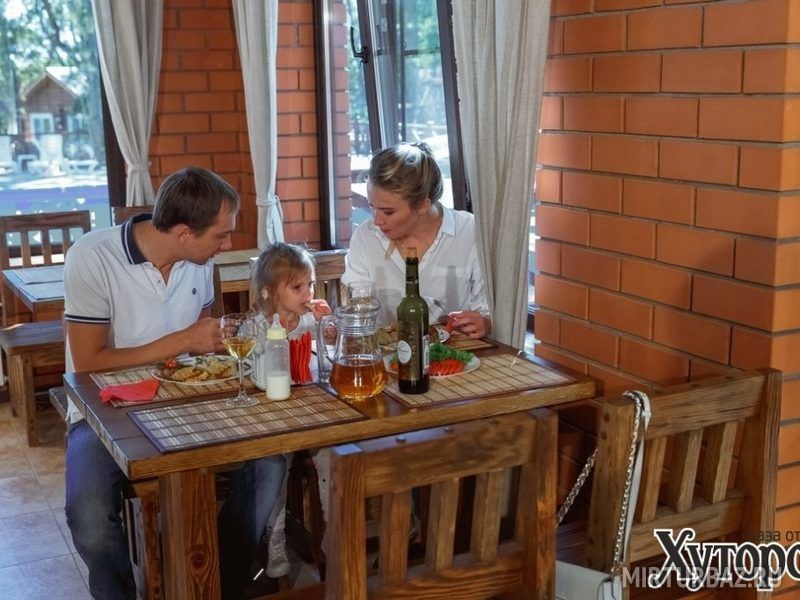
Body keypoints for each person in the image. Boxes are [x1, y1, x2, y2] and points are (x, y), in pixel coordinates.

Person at [63, 167, 286, 600]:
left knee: (269, 464)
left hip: (189, 398)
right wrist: (183, 340)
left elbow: (204, 344)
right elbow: (88, 363)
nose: (227, 245)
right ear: (184, 232)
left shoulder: (198, 260)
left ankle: (220, 585)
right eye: (221, 236)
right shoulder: (92, 257)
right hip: (106, 407)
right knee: (87, 514)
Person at [342, 142, 492, 338]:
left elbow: (487, 312)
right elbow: (356, 313)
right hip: (386, 355)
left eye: (388, 211)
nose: (377, 220)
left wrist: (484, 324)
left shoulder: (470, 232)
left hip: (455, 353)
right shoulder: (365, 236)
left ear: (422, 205)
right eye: (372, 206)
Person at [249, 242, 331, 578]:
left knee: (333, 456)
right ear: (270, 292)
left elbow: (328, 362)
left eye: (310, 285)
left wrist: (327, 326)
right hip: (274, 416)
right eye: (297, 287)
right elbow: (248, 371)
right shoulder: (256, 327)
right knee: (276, 466)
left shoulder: (311, 322)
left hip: (313, 412)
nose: (307, 293)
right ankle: (276, 536)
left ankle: (334, 530)